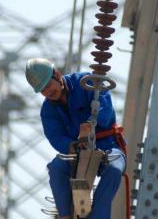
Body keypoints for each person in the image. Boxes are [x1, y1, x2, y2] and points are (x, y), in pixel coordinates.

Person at [25, 58, 125, 219]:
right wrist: (71, 146)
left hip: (108, 144)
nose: (48, 92)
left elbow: (106, 114)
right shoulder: (48, 110)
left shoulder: (87, 83)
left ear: (57, 74)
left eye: (48, 85)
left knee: (114, 169)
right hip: (77, 152)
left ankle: (98, 216)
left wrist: (91, 123)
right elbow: (55, 137)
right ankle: (66, 215)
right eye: (42, 90)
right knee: (56, 168)